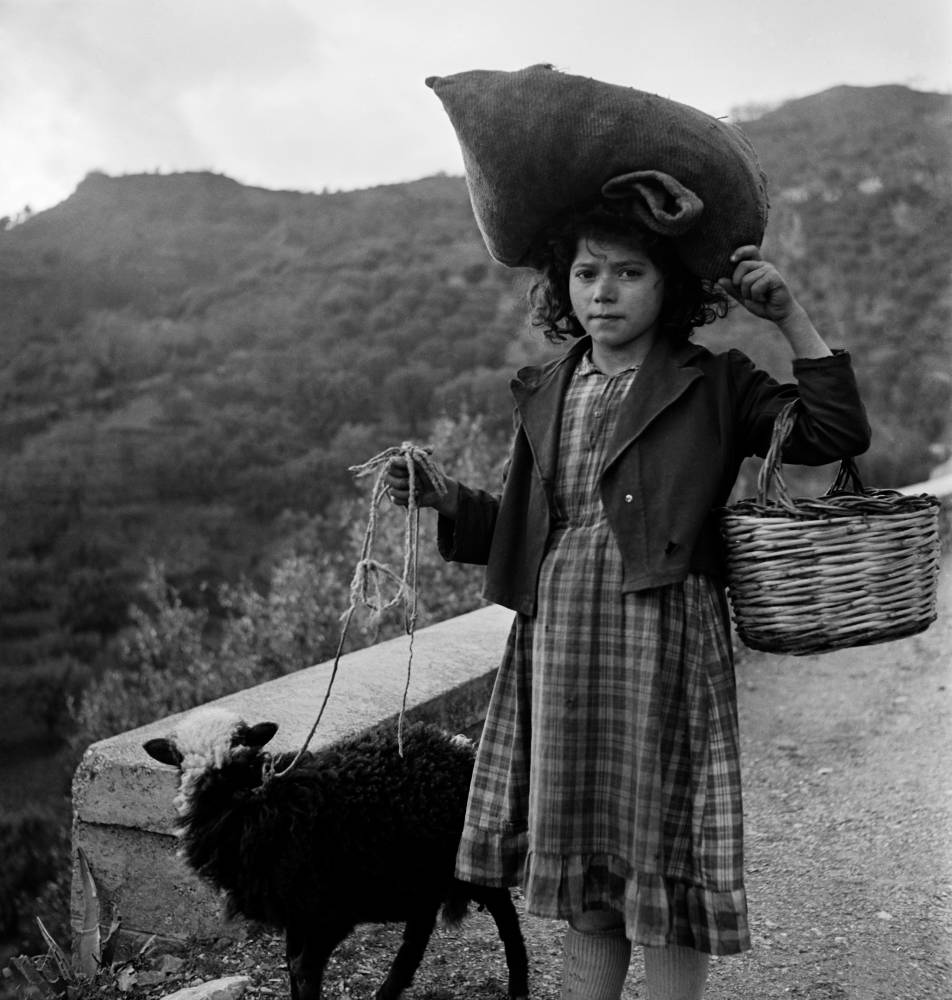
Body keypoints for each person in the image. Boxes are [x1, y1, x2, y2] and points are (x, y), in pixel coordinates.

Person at [385, 203, 870, 1000]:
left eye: (628, 272)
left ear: (669, 286)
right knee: (592, 877)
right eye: (586, 273)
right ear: (563, 287)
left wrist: (789, 316)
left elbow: (834, 431)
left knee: (667, 866)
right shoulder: (547, 387)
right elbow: (527, 526)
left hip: (662, 642)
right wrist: (445, 499)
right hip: (561, 647)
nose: (603, 292)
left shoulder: (715, 382)